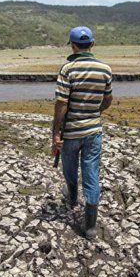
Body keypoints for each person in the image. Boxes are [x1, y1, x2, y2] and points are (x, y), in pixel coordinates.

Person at [51, 26, 113, 240]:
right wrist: (94, 113)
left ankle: (72, 197)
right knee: (91, 174)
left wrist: (55, 133)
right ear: (92, 44)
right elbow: (107, 100)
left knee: (69, 168)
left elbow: (61, 104)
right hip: (93, 131)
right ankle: (90, 227)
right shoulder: (105, 69)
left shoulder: (68, 69)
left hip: (72, 132)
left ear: (73, 45)